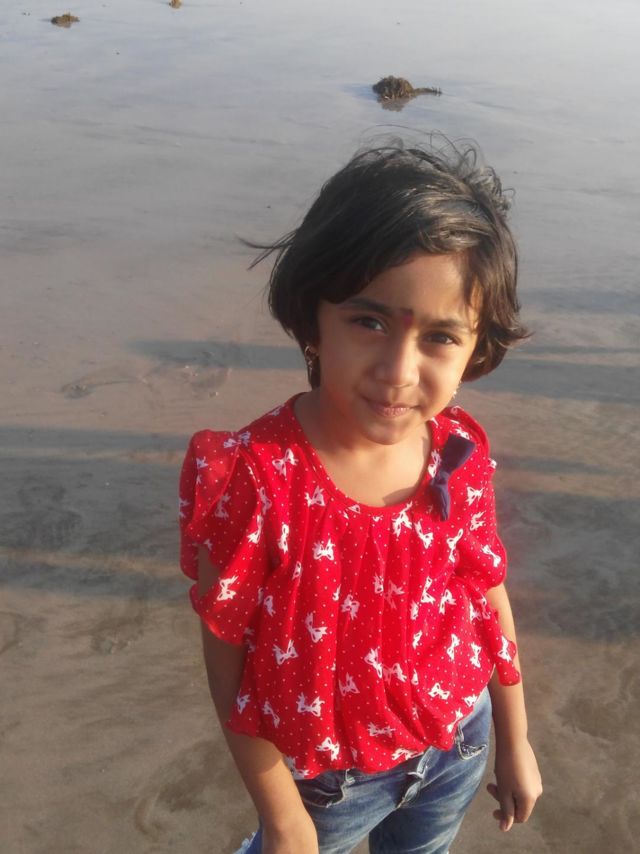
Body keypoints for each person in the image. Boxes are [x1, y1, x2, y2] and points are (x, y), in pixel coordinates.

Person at [178, 138, 543, 854]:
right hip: (325, 786)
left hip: (457, 744)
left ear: (477, 347)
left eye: (440, 337)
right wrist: (282, 817)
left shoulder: (458, 453)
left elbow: (484, 594)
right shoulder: (256, 478)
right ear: (313, 315)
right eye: (369, 321)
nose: (399, 371)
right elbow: (229, 662)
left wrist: (515, 737)